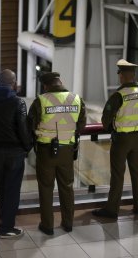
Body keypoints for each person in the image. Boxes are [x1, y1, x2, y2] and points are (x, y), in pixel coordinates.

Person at [28, 72, 86, 235]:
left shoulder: (40, 101)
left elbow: (30, 125)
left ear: (46, 85)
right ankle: (68, 223)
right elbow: (81, 125)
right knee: (67, 187)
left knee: (46, 188)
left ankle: (47, 226)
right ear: (60, 82)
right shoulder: (76, 99)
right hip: (67, 150)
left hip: (46, 151)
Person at [92, 59, 138, 219]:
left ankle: (111, 210)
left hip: (122, 139)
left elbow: (105, 120)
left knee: (118, 175)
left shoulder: (119, 95)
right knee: (137, 173)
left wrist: (110, 127)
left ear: (122, 76)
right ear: (134, 75)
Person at [0, 69, 32, 239]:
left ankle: (4, 219)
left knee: (2, 188)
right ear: (14, 83)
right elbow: (23, 129)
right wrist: (28, 146)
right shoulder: (18, 102)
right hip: (14, 152)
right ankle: (7, 228)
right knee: (12, 190)